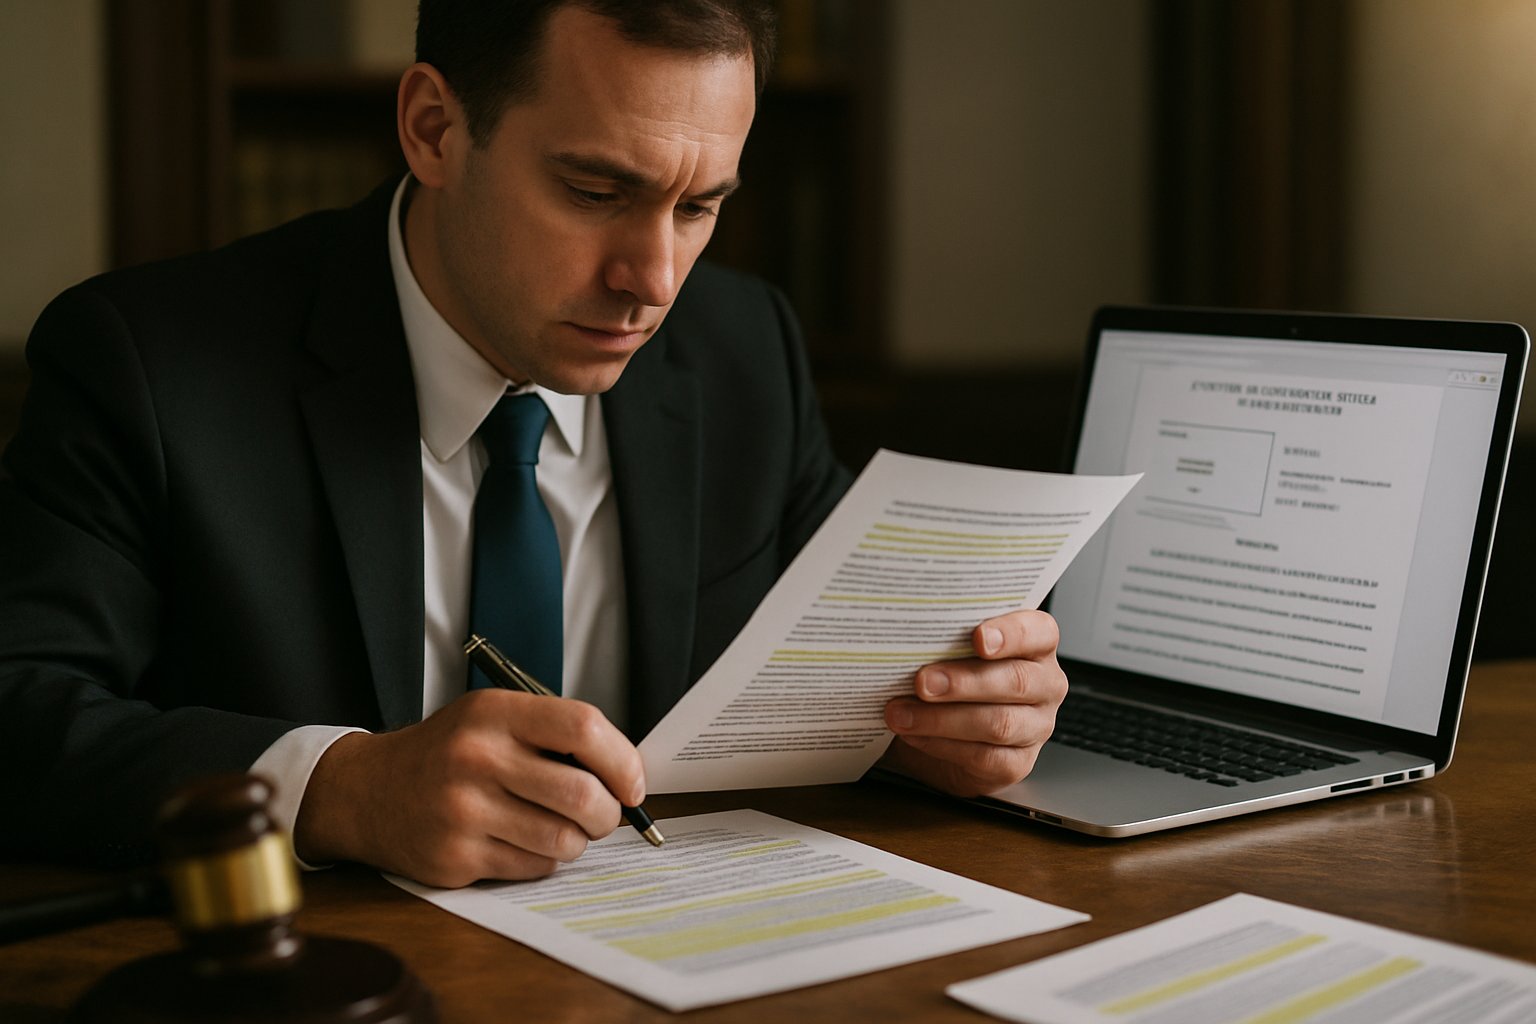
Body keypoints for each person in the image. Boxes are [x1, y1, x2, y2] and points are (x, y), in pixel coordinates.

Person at [0, 0, 1066, 887]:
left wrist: (950, 721)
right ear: (432, 128)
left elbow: (850, 651)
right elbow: (21, 713)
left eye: (700, 206)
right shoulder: (147, 362)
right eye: (596, 193)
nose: (653, 280)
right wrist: (339, 789)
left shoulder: (746, 351)